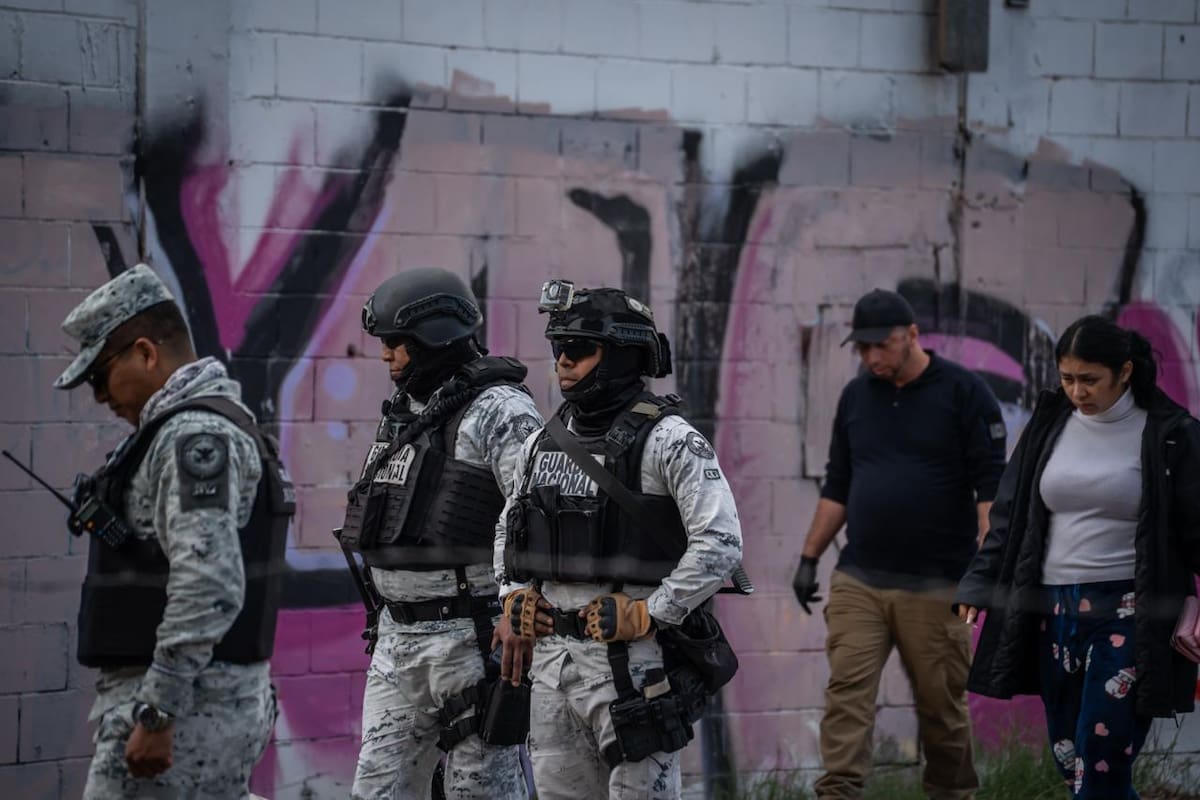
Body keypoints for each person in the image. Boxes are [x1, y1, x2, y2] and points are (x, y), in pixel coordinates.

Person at [493, 280, 744, 800]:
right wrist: (511, 592)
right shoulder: (543, 440)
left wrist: (653, 611)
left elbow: (721, 542)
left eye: (579, 349)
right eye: (558, 348)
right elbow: (508, 524)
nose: (563, 361)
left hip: (633, 667)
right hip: (554, 668)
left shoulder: (670, 439)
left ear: (624, 356)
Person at [54, 264, 290, 799]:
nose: (98, 396)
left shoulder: (193, 435)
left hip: (186, 713)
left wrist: (158, 711)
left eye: (99, 375)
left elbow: (209, 581)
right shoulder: (203, 425)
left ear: (145, 353)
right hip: (202, 704)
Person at [955, 315, 1200, 799]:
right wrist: (979, 584)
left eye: (1090, 379)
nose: (1077, 391)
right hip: (1053, 610)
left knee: (1102, 751)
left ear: (1124, 371)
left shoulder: (1170, 433)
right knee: (1072, 759)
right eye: (1067, 378)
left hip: (1131, 611)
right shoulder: (1050, 427)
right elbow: (1009, 515)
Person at [792, 288, 1007, 800]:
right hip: (860, 578)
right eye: (862, 349)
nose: (871, 358)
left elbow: (990, 491)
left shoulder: (963, 392)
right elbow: (838, 483)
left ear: (912, 335)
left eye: (881, 346)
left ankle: (952, 794)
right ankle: (838, 793)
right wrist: (808, 558)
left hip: (938, 584)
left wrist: (986, 571)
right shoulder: (856, 395)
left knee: (940, 708)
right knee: (847, 695)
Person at [340, 267, 541, 799]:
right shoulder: (405, 413)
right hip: (395, 642)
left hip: (469, 643)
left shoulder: (499, 409)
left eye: (396, 343)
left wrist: (518, 603)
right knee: (376, 792)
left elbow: (535, 511)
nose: (386, 355)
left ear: (435, 337)